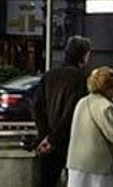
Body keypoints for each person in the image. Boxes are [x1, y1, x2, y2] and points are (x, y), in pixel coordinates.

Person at [34, 36, 92, 187]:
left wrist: (45, 136)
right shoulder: (81, 78)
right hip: (71, 142)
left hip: (47, 141)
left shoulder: (49, 75)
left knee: (46, 181)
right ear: (83, 55)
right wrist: (53, 138)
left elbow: (37, 107)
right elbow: (73, 112)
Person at [65, 66, 113, 187]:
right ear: (108, 87)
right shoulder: (107, 107)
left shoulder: (81, 102)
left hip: (76, 162)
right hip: (99, 165)